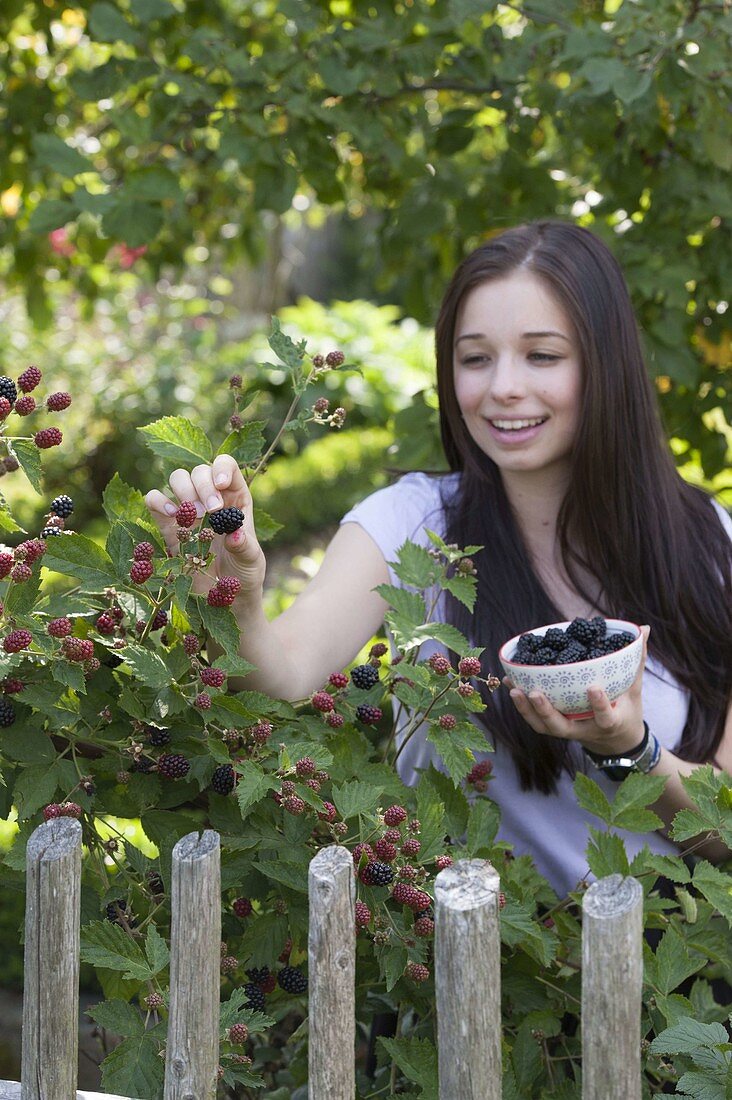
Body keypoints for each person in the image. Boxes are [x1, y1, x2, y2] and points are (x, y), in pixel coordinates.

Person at [145, 220, 732, 899]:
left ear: (606, 364)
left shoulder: (707, 542)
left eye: (542, 356)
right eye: (475, 358)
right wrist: (235, 600)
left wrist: (628, 748)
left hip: (671, 979)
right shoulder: (411, 526)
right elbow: (283, 676)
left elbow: (722, 833)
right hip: (475, 970)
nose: (503, 388)